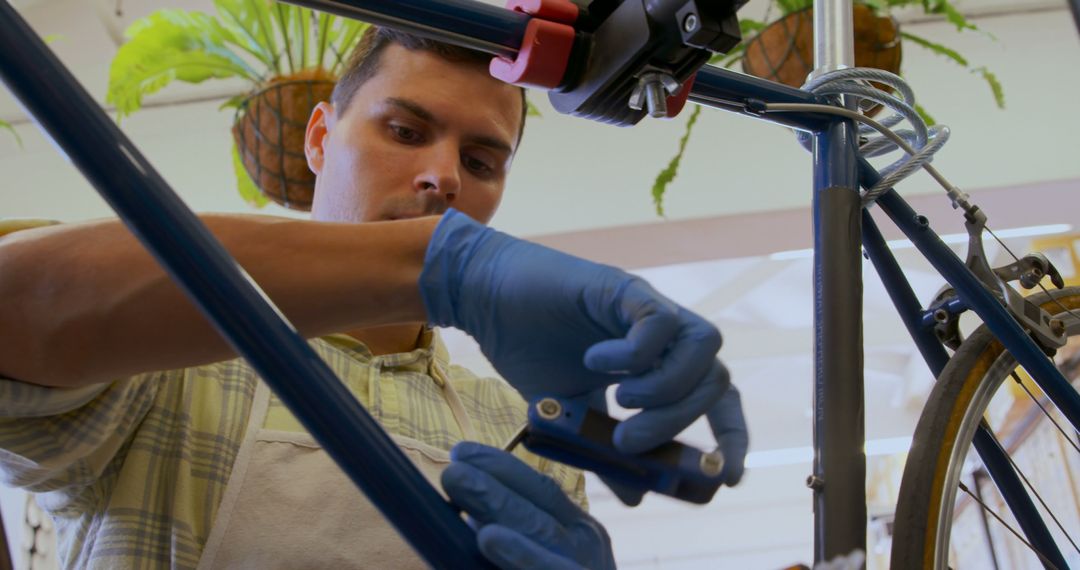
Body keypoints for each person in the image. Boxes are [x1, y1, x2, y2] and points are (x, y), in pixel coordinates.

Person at [0, 25, 747, 570]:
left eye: (481, 159)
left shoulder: (513, 420)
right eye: (403, 129)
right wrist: (443, 268)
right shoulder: (171, 350)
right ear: (320, 138)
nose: (443, 177)